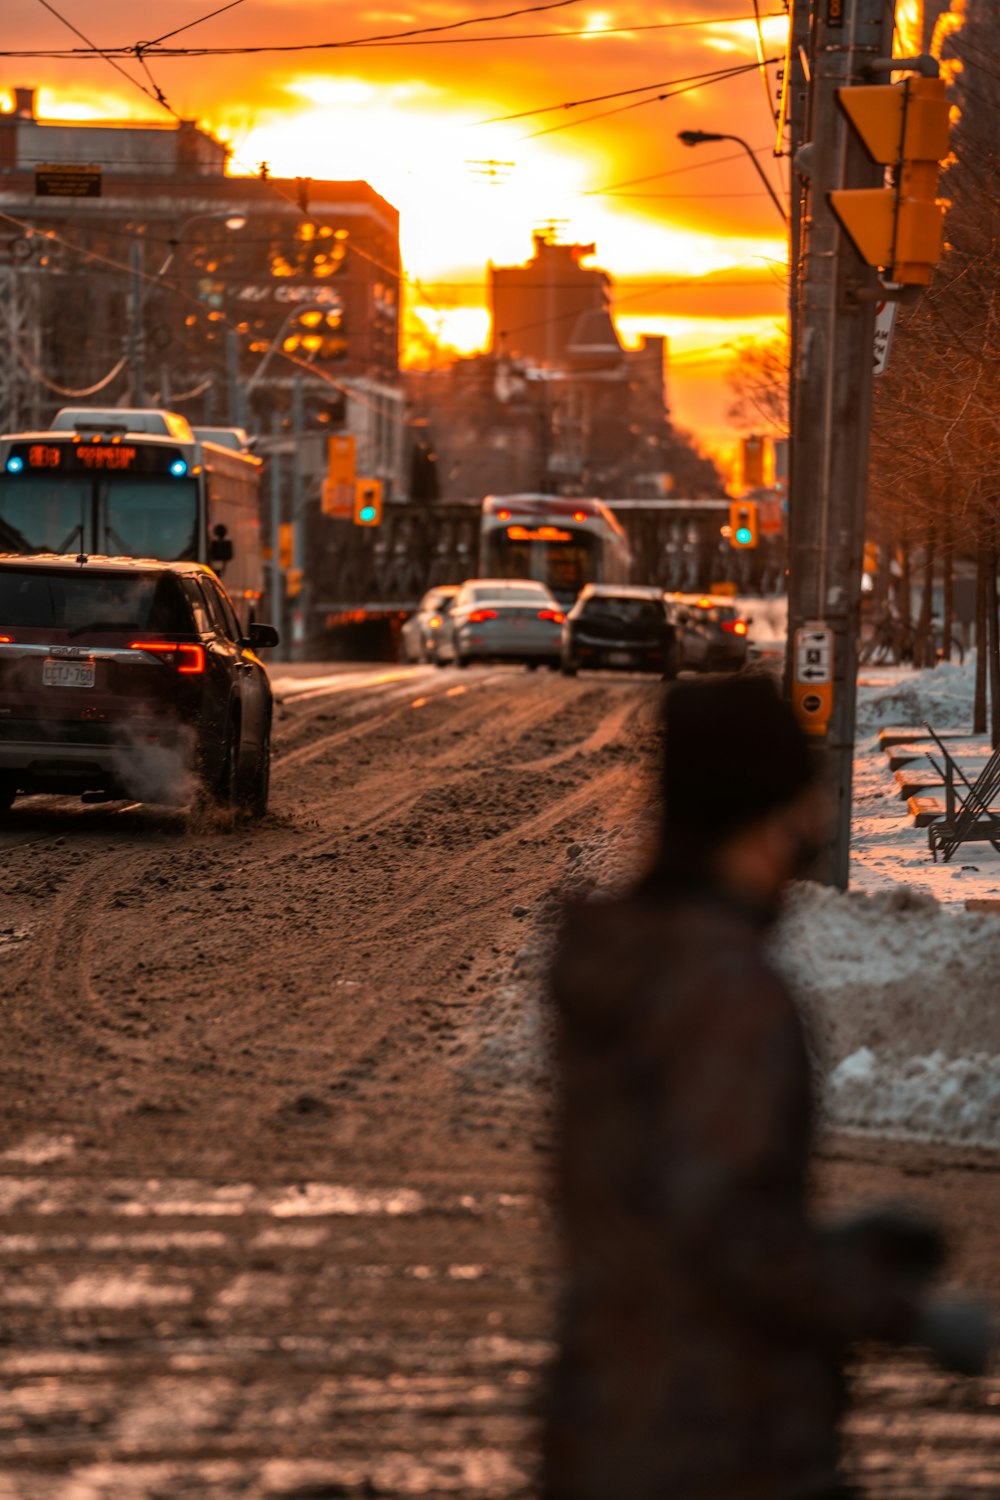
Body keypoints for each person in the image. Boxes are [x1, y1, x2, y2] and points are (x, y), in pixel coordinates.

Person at [543, 673, 992, 1500]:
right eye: (806, 797)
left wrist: (826, 1238)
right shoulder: (723, 990)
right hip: (718, 1439)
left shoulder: (628, 962)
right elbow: (725, 1237)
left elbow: (663, 1199)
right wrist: (901, 1310)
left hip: (607, 1413)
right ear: (771, 812)